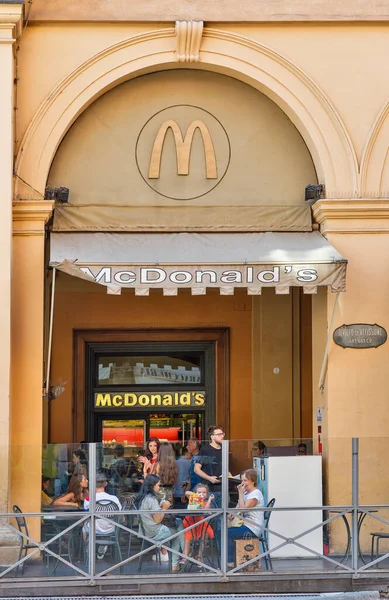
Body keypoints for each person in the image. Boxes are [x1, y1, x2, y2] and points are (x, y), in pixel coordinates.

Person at [135, 474, 183, 572]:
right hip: (155, 532)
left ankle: (180, 558)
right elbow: (157, 520)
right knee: (178, 532)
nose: (159, 487)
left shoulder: (143, 498)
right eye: (158, 485)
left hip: (146, 531)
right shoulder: (151, 499)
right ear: (152, 486)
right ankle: (181, 558)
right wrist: (164, 508)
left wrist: (160, 508)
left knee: (178, 523)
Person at [227, 468, 264, 567]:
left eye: (245, 480)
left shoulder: (256, 494)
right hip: (244, 525)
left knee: (228, 534)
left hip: (253, 528)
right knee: (224, 531)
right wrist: (232, 514)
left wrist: (240, 493)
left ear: (252, 481)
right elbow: (238, 506)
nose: (242, 483)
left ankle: (230, 562)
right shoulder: (246, 493)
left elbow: (243, 510)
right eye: (242, 480)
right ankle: (234, 561)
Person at [83, 471, 122, 559]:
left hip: (93, 529)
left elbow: (86, 517)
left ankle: (89, 549)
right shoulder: (114, 499)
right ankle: (103, 544)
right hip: (110, 529)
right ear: (106, 484)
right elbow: (120, 517)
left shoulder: (88, 499)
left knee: (84, 528)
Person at [193, 425, 231, 506]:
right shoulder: (205, 450)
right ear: (212, 437)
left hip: (223, 487)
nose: (222, 436)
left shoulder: (224, 449)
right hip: (209, 488)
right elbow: (196, 469)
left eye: (222, 434)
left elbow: (224, 468)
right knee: (210, 514)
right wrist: (210, 478)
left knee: (224, 514)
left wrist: (232, 478)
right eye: (219, 434)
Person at [181, 483, 215, 565]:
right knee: (188, 535)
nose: (201, 494)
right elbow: (186, 493)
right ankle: (185, 557)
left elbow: (206, 510)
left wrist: (209, 499)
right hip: (190, 523)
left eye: (204, 492)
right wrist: (196, 496)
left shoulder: (204, 502)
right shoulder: (193, 498)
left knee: (205, 535)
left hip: (200, 524)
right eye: (199, 492)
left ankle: (199, 556)